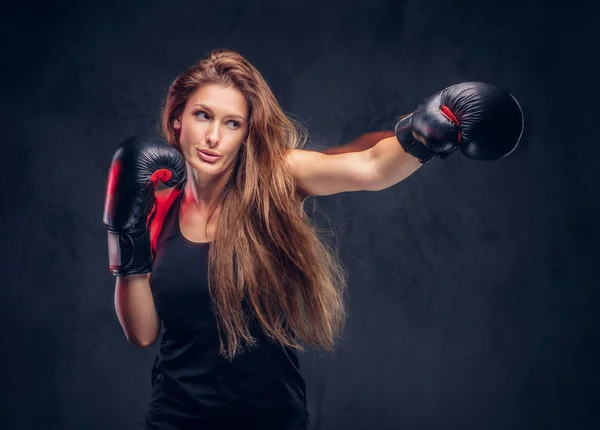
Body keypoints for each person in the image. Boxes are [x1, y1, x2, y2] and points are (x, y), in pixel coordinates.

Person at [102, 49, 523, 430]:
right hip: (176, 419)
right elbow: (142, 333)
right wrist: (124, 231)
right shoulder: (155, 201)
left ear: (247, 134)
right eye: (202, 116)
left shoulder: (275, 179)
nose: (214, 137)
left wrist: (432, 125)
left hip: (270, 420)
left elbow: (372, 168)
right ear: (178, 119)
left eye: (232, 123)